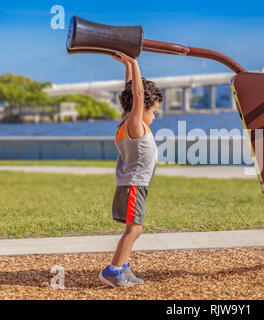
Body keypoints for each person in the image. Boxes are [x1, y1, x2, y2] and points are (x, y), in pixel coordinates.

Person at [99, 52, 162, 288]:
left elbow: (130, 92)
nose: (154, 116)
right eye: (153, 111)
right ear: (142, 107)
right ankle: (113, 270)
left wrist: (127, 65)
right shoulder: (136, 125)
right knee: (134, 230)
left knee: (134, 228)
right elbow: (136, 94)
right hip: (134, 184)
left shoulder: (126, 121)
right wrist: (135, 63)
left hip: (133, 184)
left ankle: (123, 267)